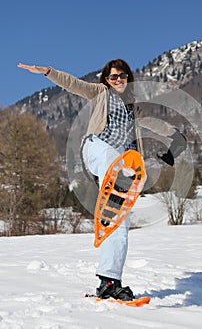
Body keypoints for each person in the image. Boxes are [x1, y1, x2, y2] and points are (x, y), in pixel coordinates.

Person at [18, 59, 187, 301]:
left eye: (122, 76)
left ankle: (109, 281)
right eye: (113, 77)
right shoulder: (100, 93)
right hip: (97, 149)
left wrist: (176, 137)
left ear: (128, 78)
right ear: (106, 80)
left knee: (120, 226)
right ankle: (117, 176)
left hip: (122, 166)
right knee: (112, 156)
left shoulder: (133, 108)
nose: (118, 80)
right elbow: (73, 84)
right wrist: (48, 71)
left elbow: (154, 124)